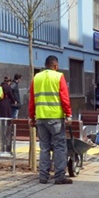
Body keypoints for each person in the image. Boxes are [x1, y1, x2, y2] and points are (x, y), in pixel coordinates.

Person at [28, 55, 73, 185]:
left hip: (41, 118)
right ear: (55, 66)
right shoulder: (59, 77)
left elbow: (32, 100)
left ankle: (43, 177)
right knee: (59, 147)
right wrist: (68, 114)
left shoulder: (36, 78)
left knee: (44, 148)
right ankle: (59, 177)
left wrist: (31, 117)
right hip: (55, 119)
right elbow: (64, 98)